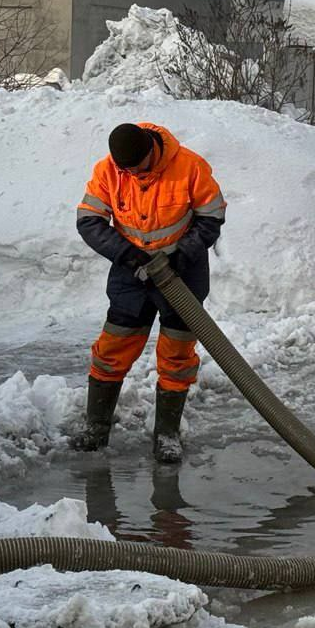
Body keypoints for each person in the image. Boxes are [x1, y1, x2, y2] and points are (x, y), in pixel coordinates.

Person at [73, 122, 226, 463]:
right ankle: (96, 427)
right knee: (112, 349)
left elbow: (211, 217)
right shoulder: (109, 171)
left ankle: (167, 434)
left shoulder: (189, 166)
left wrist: (179, 255)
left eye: (137, 167)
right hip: (133, 275)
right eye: (124, 169)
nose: (130, 174)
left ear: (150, 153)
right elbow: (89, 220)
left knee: (176, 355)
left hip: (182, 276)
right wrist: (128, 255)